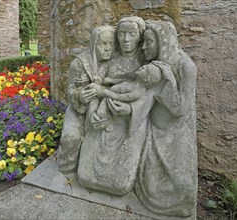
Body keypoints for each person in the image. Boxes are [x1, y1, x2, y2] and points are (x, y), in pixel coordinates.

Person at [77, 16, 151, 195]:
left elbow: (149, 95)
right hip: (104, 117)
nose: (126, 39)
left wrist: (131, 110)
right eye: (122, 34)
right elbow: (96, 87)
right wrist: (93, 114)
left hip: (130, 121)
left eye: (131, 34)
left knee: (120, 183)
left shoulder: (145, 63)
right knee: (85, 175)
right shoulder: (111, 59)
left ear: (139, 36)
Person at [134, 21, 198, 219]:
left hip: (176, 136)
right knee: (150, 185)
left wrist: (165, 79)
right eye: (144, 42)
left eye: (149, 42)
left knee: (182, 187)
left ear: (163, 42)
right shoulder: (152, 65)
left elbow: (180, 109)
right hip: (153, 133)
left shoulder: (185, 67)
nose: (144, 47)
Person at [57, 26, 115, 173]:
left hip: (105, 110)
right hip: (79, 110)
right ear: (94, 44)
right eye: (103, 44)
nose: (108, 48)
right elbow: (69, 91)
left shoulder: (116, 63)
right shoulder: (79, 63)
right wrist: (79, 96)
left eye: (111, 44)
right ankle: (68, 168)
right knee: (71, 138)